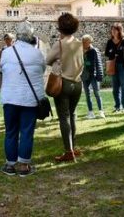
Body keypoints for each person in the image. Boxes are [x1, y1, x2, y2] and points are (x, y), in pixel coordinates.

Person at [0, 21, 45, 177]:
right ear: (31, 36)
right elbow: (42, 69)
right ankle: (24, 166)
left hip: (10, 97)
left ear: (17, 35)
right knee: (26, 132)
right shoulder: (37, 53)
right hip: (29, 99)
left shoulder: (6, 52)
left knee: (11, 131)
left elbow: (2, 69)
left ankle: (10, 164)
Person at [46, 12, 84, 162]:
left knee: (64, 117)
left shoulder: (60, 44)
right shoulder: (80, 43)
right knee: (72, 115)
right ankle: (73, 147)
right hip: (77, 83)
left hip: (63, 83)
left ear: (60, 28)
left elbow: (48, 60)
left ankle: (68, 152)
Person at [104, 23, 124, 113]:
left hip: (122, 66)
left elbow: (123, 51)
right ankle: (117, 107)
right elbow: (107, 53)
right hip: (113, 66)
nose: (113, 32)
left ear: (119, 31)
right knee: (115, 88)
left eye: (115, 30)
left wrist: (113, 51)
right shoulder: (109, 42)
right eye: (112, 30)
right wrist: (115, 52)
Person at [81, 34, 105, 119]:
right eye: (83, 42)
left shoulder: (94, 51)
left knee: (97, 93)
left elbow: (98, 64)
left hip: (93, 75)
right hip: (84, 75)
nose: (83, 43)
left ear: (89, 42)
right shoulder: (81, 51)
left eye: (85, 42)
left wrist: (99, 75)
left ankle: (101, 111)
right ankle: (90, 112)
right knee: (87, 94)